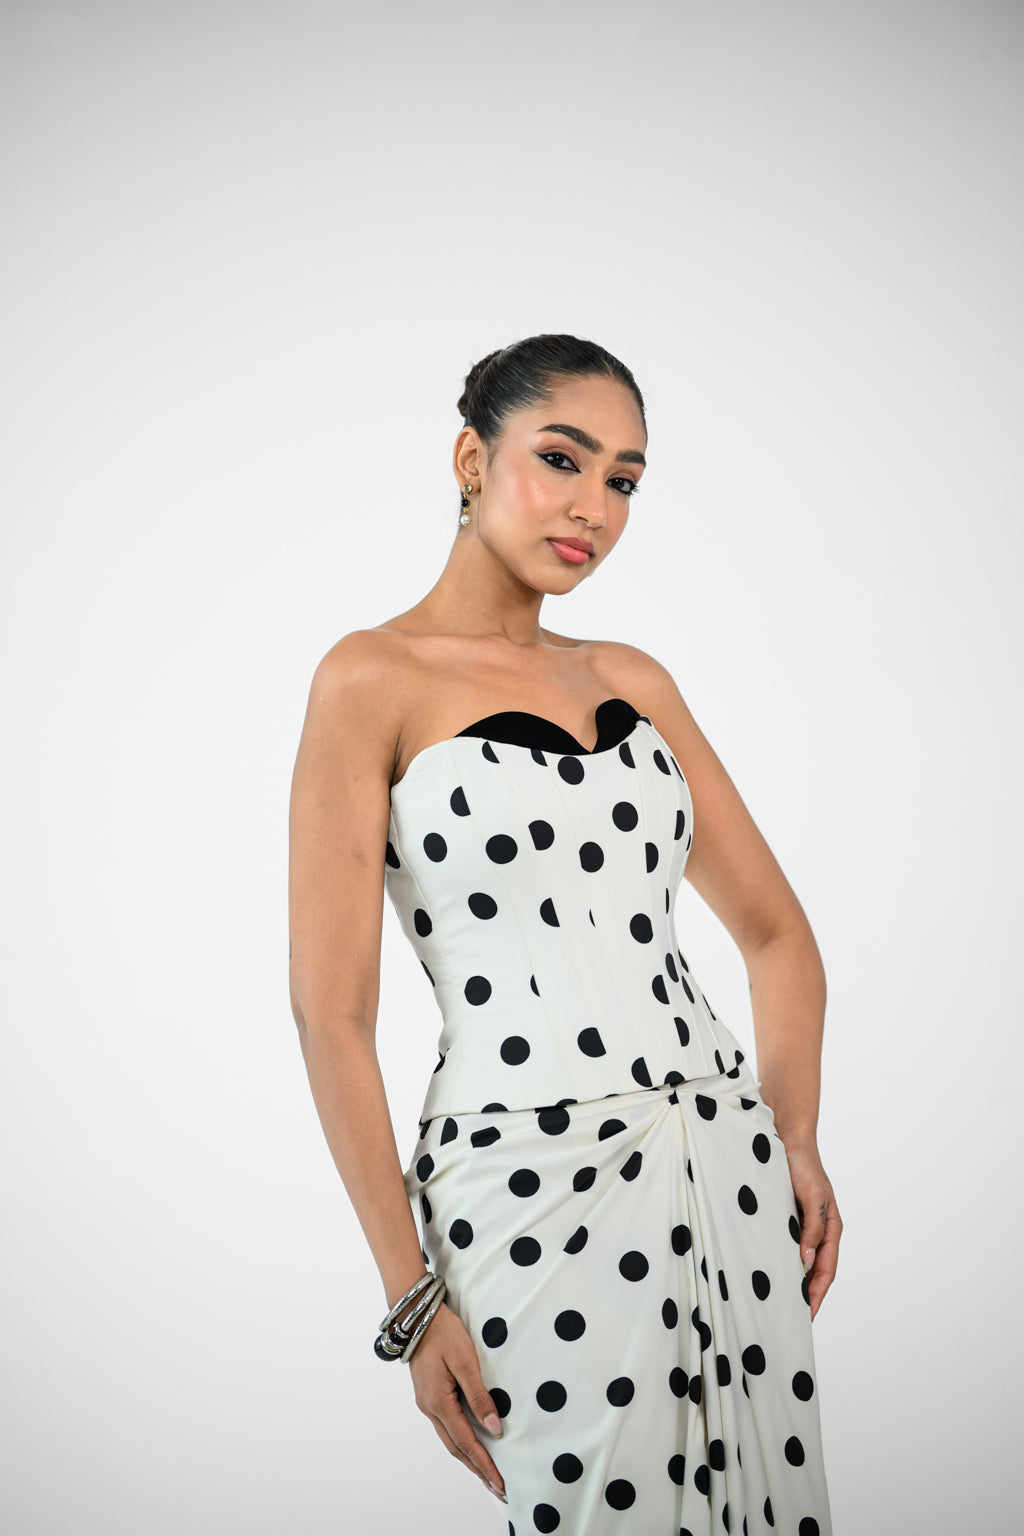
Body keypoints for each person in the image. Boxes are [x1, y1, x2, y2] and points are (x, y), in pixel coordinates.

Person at [288, 333, 841, 1533]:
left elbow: (779, 938)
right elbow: (332, 1017)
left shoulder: (633, 680)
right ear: (470, 460)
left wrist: (792, 1138)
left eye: (623, 480)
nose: (595, 507)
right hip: (525, 1185)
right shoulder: (369, 679)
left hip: (722, 1164)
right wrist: (409, 1294)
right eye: (561, 459)